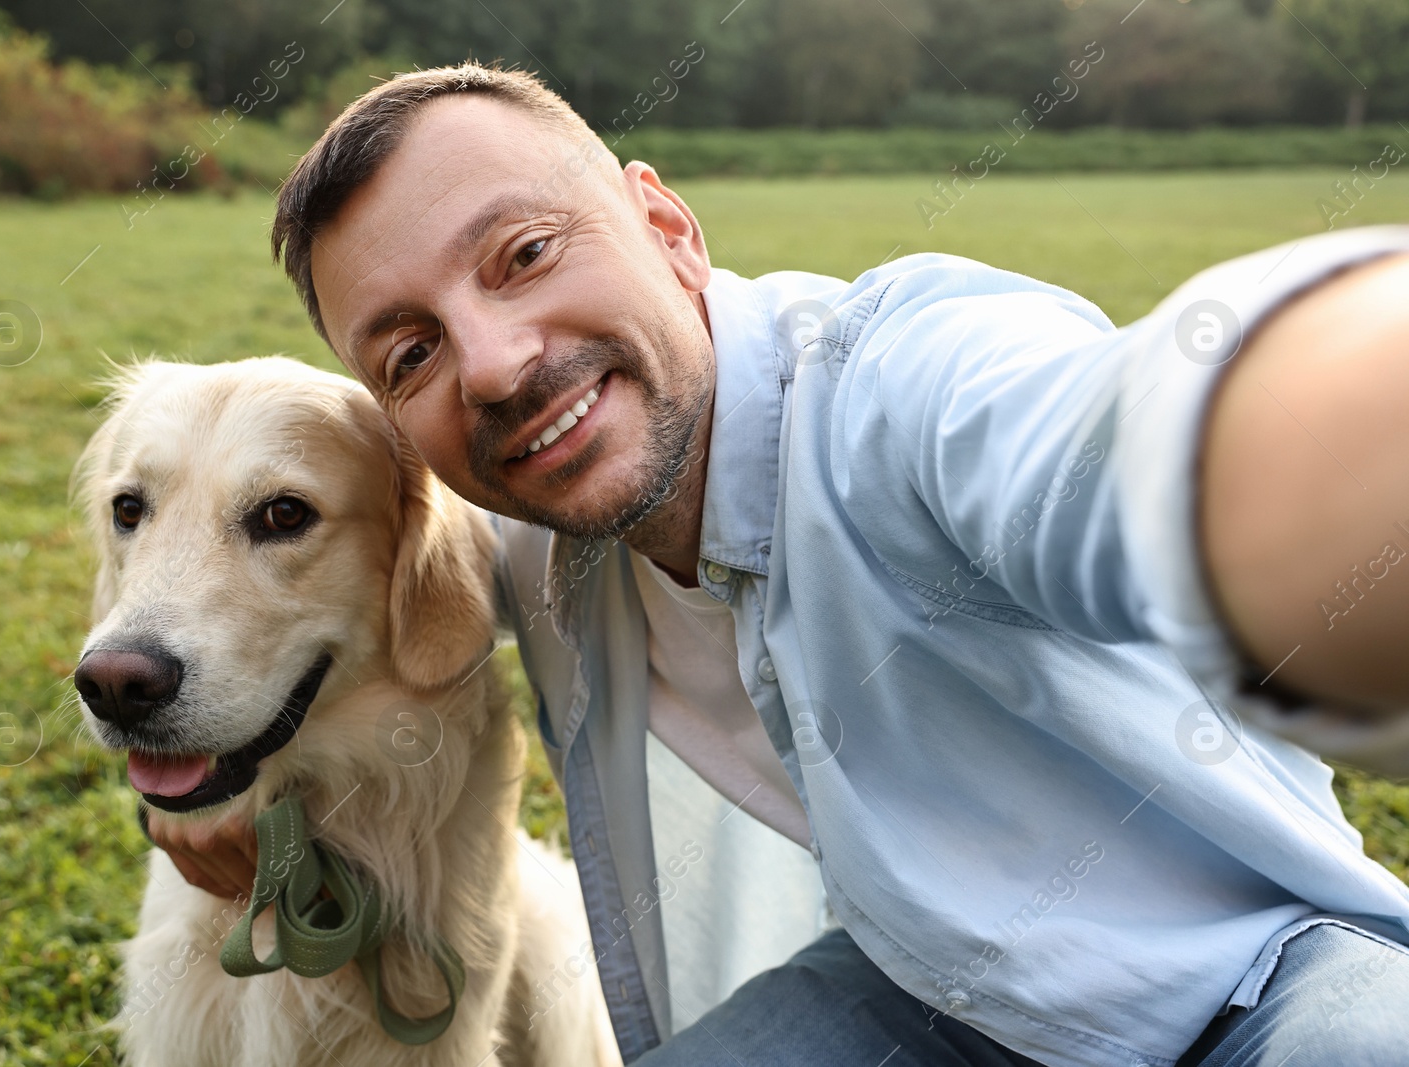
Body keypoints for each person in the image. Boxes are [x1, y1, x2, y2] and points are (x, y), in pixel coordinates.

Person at [150, 64, 1409, 1065]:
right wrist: (194, 758)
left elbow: (1114, 444)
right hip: (917, 999)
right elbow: (312, 594)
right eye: (409, 353)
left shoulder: (906, 381)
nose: (489, 362)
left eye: (525, 253)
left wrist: (1300, 458)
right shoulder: (531, 522)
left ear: (666, 225)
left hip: (1265, 972)